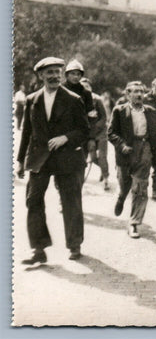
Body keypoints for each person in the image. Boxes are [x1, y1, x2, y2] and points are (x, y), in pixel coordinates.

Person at [16, 57, 89, 263]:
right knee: (33, 199)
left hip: (67, 157)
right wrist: (21, 160)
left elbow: (84, 130)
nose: (55, 76)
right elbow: (27, 133)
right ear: (40, 76)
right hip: (40, 157)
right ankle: (38, 249)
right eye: (50, 73)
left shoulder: (74, 99)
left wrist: (65, 137)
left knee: (70, 201)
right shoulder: (33, 99)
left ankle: (74, 244)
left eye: (58, 72)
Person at [108, 81, 156, 238]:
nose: (139, 95)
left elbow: (155, 131)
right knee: (125, 183)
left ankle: (134, 223)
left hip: (144, 149)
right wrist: (122, 145)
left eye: (141, 91)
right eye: (135, 91)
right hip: (126, 151)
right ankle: (121, 196)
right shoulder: (119, 111)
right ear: (127, 94)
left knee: (140, 186)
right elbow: (111, 133)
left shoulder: (150, 111)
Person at [80, 77, 110, 190]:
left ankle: (106, 178)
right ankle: (104, 169)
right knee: (92, 158)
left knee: (102, 157)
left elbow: (104, 117)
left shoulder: (97, 99)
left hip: (100, 133)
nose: (85, 89)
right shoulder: (78, 100)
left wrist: (94, 128)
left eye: (87, 87)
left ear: (90, 88)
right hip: (87, 134)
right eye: (82, 87)